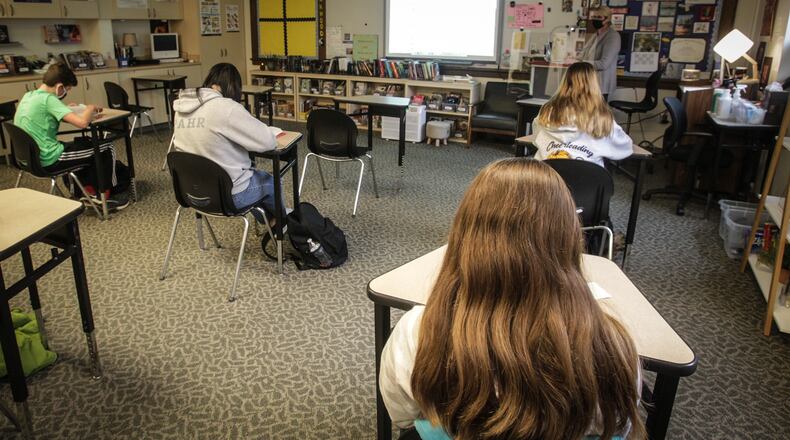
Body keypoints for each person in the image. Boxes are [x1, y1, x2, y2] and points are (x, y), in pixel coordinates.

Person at [380, 159, 645, 440]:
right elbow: (617, 427)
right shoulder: (611, 345)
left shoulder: (419, 331)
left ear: (465, 235)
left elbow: (402, 415)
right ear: (569, 238)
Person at [172, 63, 284, 221]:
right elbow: (267, 142)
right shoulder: (226, 107)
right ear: (233, 87)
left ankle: (269, 221)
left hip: (191, 192)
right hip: (227, 197)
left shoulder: (181, 109)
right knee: (272, 181)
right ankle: (282, 225)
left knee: (249, 175)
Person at [13, 62, 127, 209]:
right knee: (105, 147)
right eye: (67, 89)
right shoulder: (50, 99)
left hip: (27, 159)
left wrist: (66, 108)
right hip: (50, 158)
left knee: (82, 146)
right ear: (59, 87)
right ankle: (105, 198)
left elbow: (45, 112)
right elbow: (82, 124)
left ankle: (87, 192)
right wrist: (90, 108)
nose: (66, 93)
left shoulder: (29, 96)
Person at [532, 62, 633, 167]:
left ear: (565, 81)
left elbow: (536, 137)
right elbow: (625, 147)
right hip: (585, 180)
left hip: (546, 178)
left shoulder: (548, 110)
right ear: (594, 84)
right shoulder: (601, 116)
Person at [581, 5, 620, 102]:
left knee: (596, 116)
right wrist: (573, 58)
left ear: (607, 19)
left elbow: (604, 64)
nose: (595, 19)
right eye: (594, 17)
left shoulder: (613, 36)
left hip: (601, 85)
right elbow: (585, 53)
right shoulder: (596, 35)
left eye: (599, 17)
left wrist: (581, 63)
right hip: (589, 82)